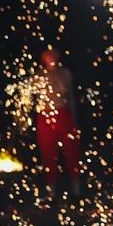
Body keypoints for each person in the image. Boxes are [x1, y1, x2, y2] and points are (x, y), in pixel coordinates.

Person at [35, 49, 84, 196]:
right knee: (48, 153)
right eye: (47, 53)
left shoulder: (65, 73)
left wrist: (74, 120)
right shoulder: (38, 76)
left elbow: (71, 98)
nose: (50, 56)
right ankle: (52, 194)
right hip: (45, 116)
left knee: (72, 151)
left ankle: (77, 191)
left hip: (63, 114)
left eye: (53, 53)